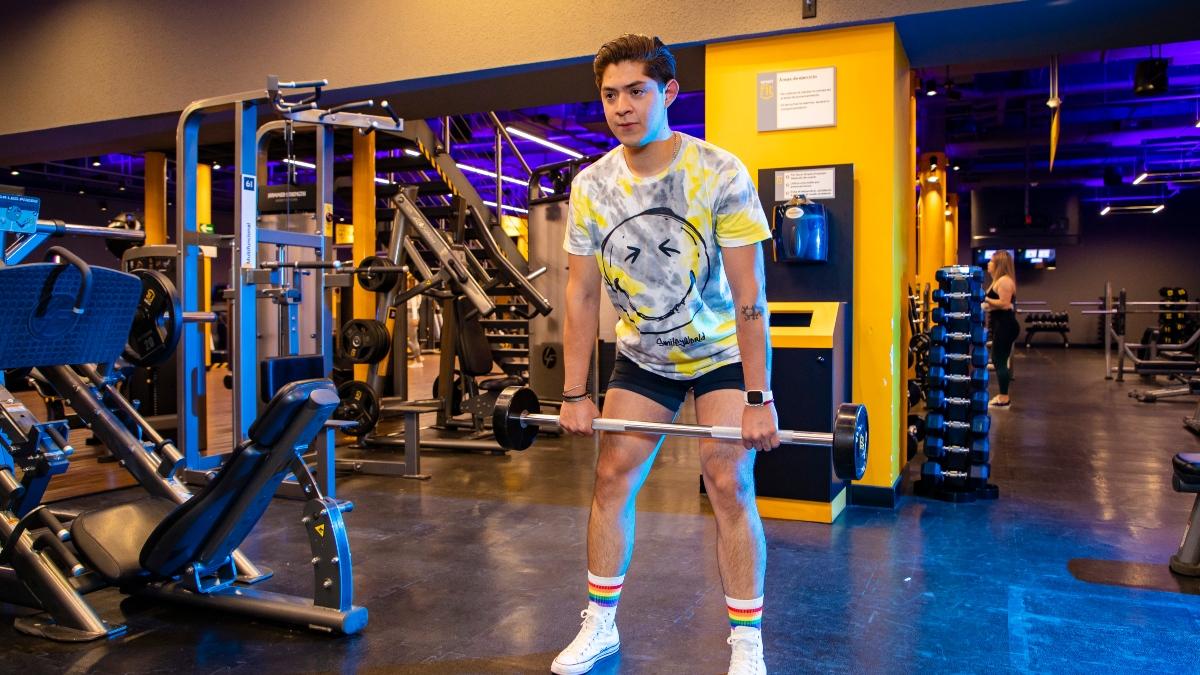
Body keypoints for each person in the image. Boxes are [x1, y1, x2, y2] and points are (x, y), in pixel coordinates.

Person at [551, 34, 777, 675]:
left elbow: (749, 294)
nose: (621, 106)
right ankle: (599, 626)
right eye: (610, 94)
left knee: (729, 481)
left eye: (636, 91)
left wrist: (759, 398)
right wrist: (574, 391)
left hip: (719, 353)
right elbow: (580, 292)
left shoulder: (719, 172)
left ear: (669, 92)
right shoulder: (592, 186)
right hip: (644, 355)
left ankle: (747, 644)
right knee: (610, 477)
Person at [983, 250, 1018, 406]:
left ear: (999, 264)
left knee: (999, 360)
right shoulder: (997, 280)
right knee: (998, 360)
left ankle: (1004, 398)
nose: (988, 264)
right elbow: (996, 305)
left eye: (991, 261)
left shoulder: (1004, 281)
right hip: (1001, 325)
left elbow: (1004, 303)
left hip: (1006, 325)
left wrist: (984, 298)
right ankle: (1003, 396)